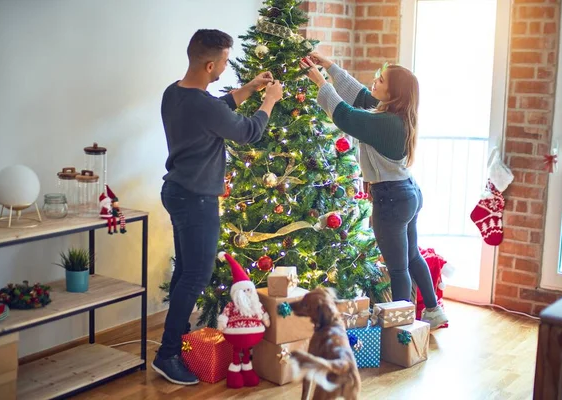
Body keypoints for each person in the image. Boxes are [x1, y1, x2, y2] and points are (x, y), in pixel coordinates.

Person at [155, 29, 283, 386]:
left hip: (178, 191)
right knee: (195, 276)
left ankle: (177, 343)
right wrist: (269, 99)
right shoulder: (203, 105)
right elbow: (248, 131)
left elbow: (217, 108)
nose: (226, 67)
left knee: (185, 273)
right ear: (210, 63)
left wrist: (250, 88)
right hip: (197, 199)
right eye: (225, 62)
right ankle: (167, 355)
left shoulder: (175, 94)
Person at [300, 53, 448, 329]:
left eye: (380, 80)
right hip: (407, 192)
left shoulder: (384, 122)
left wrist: (321, 82)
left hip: (391, 199)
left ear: (392, 92)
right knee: (412, 255)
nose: (374, 82)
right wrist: (331, 66)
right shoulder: (392, 112)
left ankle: (401, 328)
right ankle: (433, 311)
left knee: (397, 267)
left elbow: (346, 115)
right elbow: (358, 94)